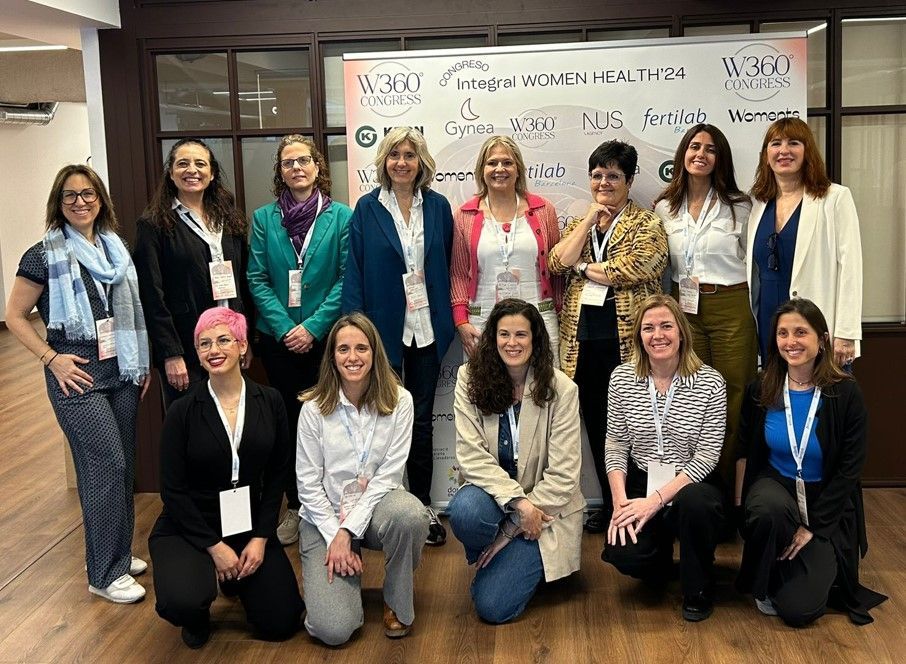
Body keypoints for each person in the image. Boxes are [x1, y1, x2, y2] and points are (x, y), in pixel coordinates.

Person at [6, 164, 151, 603]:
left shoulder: (114, 249)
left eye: (88, 193)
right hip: (76, 376)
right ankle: (104, 574)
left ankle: (117, 553)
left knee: (122, 464)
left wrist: (140, 363)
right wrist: (51, 359)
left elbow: (130, 311)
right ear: (58, 202)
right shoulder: (42, 255)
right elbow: (15, 317)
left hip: (121, 371)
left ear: (100, 199)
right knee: (105, 465)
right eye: (70, 195)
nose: (80, 202)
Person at [149, 308, 303, 649]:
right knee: (182, 601)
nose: (214, 350)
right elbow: (172, 490)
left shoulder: (270, 401)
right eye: (204, 344)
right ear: (197, 353)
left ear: (242, 345)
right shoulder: (182, 411)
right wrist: (215, 547)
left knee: (281, 621)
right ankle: (197, 610)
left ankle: (234, 582)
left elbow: (278, 474)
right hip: (189, 525)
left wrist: (261, 537)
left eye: (223, 340)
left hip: (246, 522)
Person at [735, 298, 887, 626]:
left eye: (801, 332)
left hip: (827, 500)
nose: (791, 342)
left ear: (822, 339)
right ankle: (769, 573)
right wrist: (741, 509)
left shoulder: (846, 393)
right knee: (767, 509)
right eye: (783, 333)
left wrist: (814, 526)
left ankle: (805, 567)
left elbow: (849, 470)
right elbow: (745, 453)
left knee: (799, 610)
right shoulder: (761, 388)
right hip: (778, 490)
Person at [341, 127, 454, 546]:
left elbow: (446, 261)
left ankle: (421, 506)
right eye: (394, 155)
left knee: (421, 421)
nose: (402, 162)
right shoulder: (367, 208)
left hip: (427, 328)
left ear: (420, 161)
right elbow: (354, 269)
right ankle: (377, 508)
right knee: (379, 421)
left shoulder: (438, 207)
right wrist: (354, 330)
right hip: (380, 331)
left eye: (409, 155)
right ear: (384, 161)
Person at [549, 139, 668, 534]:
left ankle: (646, 504)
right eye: (597, 175)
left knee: (640, 427)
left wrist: (583, 268)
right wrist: (586, 223)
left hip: (629, 342)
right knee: (601, 428)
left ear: (629, 181)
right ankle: (612, 501)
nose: (604, 183)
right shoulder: (579, 223)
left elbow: (637, 266)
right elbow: (556, 261)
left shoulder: (645, 223)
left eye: (613, 176)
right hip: (582, 344)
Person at [296, 313, 429, 645]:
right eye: (343, 349)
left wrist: (348, 530)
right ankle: (340, 597)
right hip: (324, 516)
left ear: (374, 353)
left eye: (361, 348)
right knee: (333, 630)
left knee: (410, 515)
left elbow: (388, 476)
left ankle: (396, 599)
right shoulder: (313, 409)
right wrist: (335, 534)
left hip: (376, 508)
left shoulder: (400, 401)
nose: (352, 357)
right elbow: (308, 486)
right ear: (332, 356)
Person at [447, 298, 583, 624]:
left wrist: (510, 529)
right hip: (499, 499)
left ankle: (511, 557)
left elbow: (564, 476)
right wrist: (518, 504)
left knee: (492, 607)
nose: (512, 343)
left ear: (535, 339)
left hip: (545, 511)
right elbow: (471, 456)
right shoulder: (469, 379)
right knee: (465, 511)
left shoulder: (562, 389)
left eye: (521, 334)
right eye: (504, 334)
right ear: (492, 338)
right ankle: (498, 557)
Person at [247, 134, 352, 546]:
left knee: (331, 420)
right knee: (289, 424)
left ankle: (333, 503)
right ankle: (295, 505)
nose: (297, 168)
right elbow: (256, 278)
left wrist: (312, 327)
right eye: (288, 162)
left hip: (325, 340)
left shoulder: (341, 216)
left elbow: (346, 278)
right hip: (279, 341)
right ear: (280, 171)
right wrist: (285, 327)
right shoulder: (264, 219)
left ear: (317, 166)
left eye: (303, 160)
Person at [602, 294, 727, 622]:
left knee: (696, 505)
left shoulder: (711, 382)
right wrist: (620, 502)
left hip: (692, 481)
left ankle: (698, 587)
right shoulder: (621, 378)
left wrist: (654, 502)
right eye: (648, 328)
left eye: (666, 326)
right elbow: (616, 444)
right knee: (624, 552)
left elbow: (706, 457)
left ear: (682, 332)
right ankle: (658, 562)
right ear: (639, 336)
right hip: (643, 476)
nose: (658, 335)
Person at [654, 123, 756, 489]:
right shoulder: (665, 207)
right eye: (694, 147)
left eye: (710, 149)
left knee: (734, 394)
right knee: (690, 395)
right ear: (683, 154)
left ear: (720, 158)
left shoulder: (741, 205)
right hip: (685, 310)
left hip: (731, 305)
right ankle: (691, 492)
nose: (701, 154)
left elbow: (753, 262)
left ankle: (728, 493)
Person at [134, 138, 252, 408]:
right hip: (187, 347)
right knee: (192, 421)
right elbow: (151, 294)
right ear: (171, 173)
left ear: (212, 174)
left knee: (231, 416)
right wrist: (171, 353)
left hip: (229, 340)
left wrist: (244, 337)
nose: (192, 170)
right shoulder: (153, 224)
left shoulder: (229, 219)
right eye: (182, 164)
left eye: (200, 164)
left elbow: (242, 282)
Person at [747, 117, 863, 366]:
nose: (784, 151)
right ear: (766, 155)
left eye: (793, 143)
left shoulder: (834, 198)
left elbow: (851, 270)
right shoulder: (758, 203)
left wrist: (846, 332)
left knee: (823, 388)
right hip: (769, 320)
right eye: (776, 143)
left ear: (807, 151)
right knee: (776, 386)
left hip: (815, 320)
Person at [451, 135, 562, 360]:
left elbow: (557, 268)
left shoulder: (543, 210)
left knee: (542, 380)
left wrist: (560, 309)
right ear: (481, 170)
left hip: (539, 313)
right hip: (482, 317)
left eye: (507, 162)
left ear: (518, 169)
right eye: (492, 163)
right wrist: (461, 321)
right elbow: (459, 274)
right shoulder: (465, 215)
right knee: (486, 381)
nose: (499, 169)